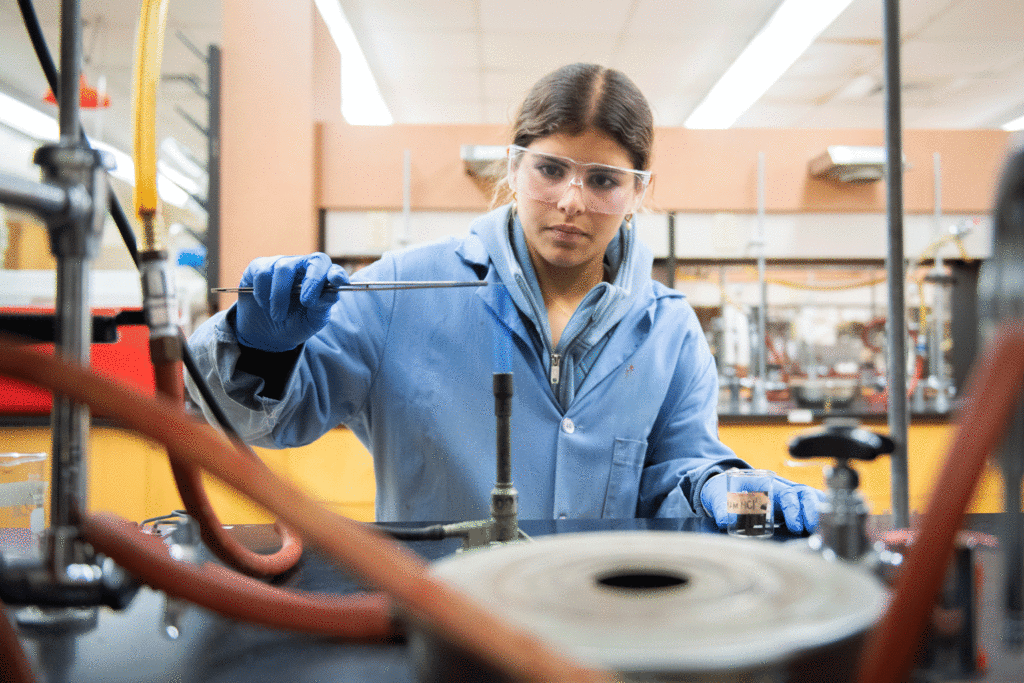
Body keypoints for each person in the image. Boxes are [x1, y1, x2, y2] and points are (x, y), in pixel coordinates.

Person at [185, 63, 824, 532]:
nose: (572, 201)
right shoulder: (401, 292)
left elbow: (676, 482)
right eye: (550, 170)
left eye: (603, 180)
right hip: (438, 623)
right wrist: (264, 347)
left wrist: (730, 490)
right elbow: (253, 420)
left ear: (638, 191)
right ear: (514, 167)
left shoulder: (668, 331)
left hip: (604, 632)